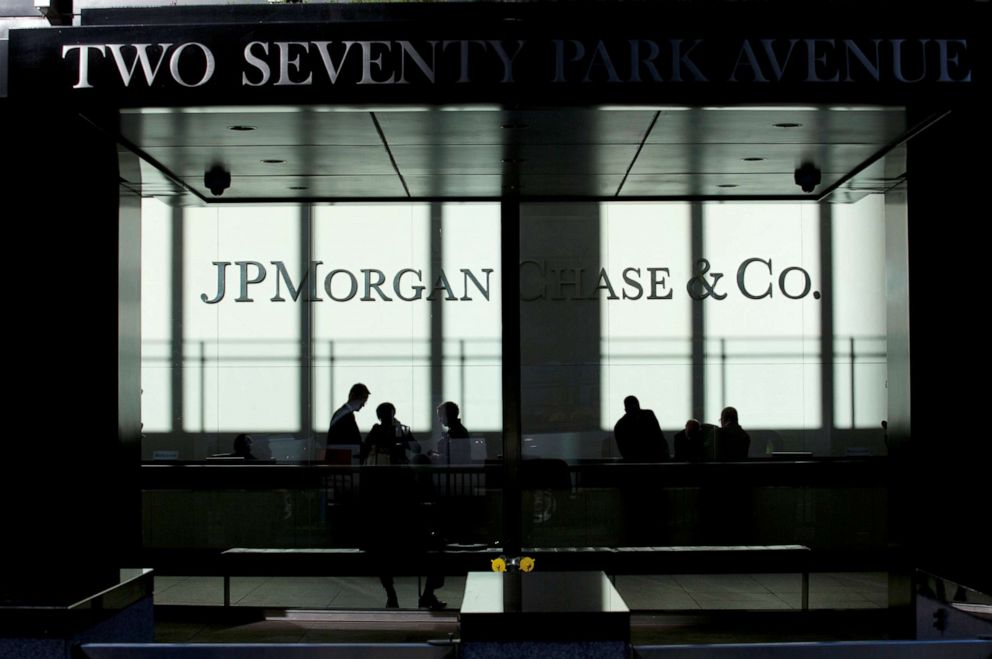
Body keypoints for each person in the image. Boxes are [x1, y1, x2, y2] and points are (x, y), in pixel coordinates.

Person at [360, 402, 444, 610]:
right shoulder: (407, 478)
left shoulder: (375, 433)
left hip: (384, 512)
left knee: (382, 555)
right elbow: (415, 448)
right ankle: (425, 596)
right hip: (407, 526)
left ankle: (392, 595)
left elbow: (364, 452)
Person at [613, 395, 669, 462]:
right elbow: (659, 436)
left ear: (625, 410)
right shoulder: (649, 415)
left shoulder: (620, 425)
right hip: (654, 458)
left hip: (636, 461)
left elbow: (624, 450)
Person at [326, 383, 371, 449]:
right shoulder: (346, 416)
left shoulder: (341, 414)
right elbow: (353, 439)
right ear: (352, 396)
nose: (363, 405)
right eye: (362, 400)